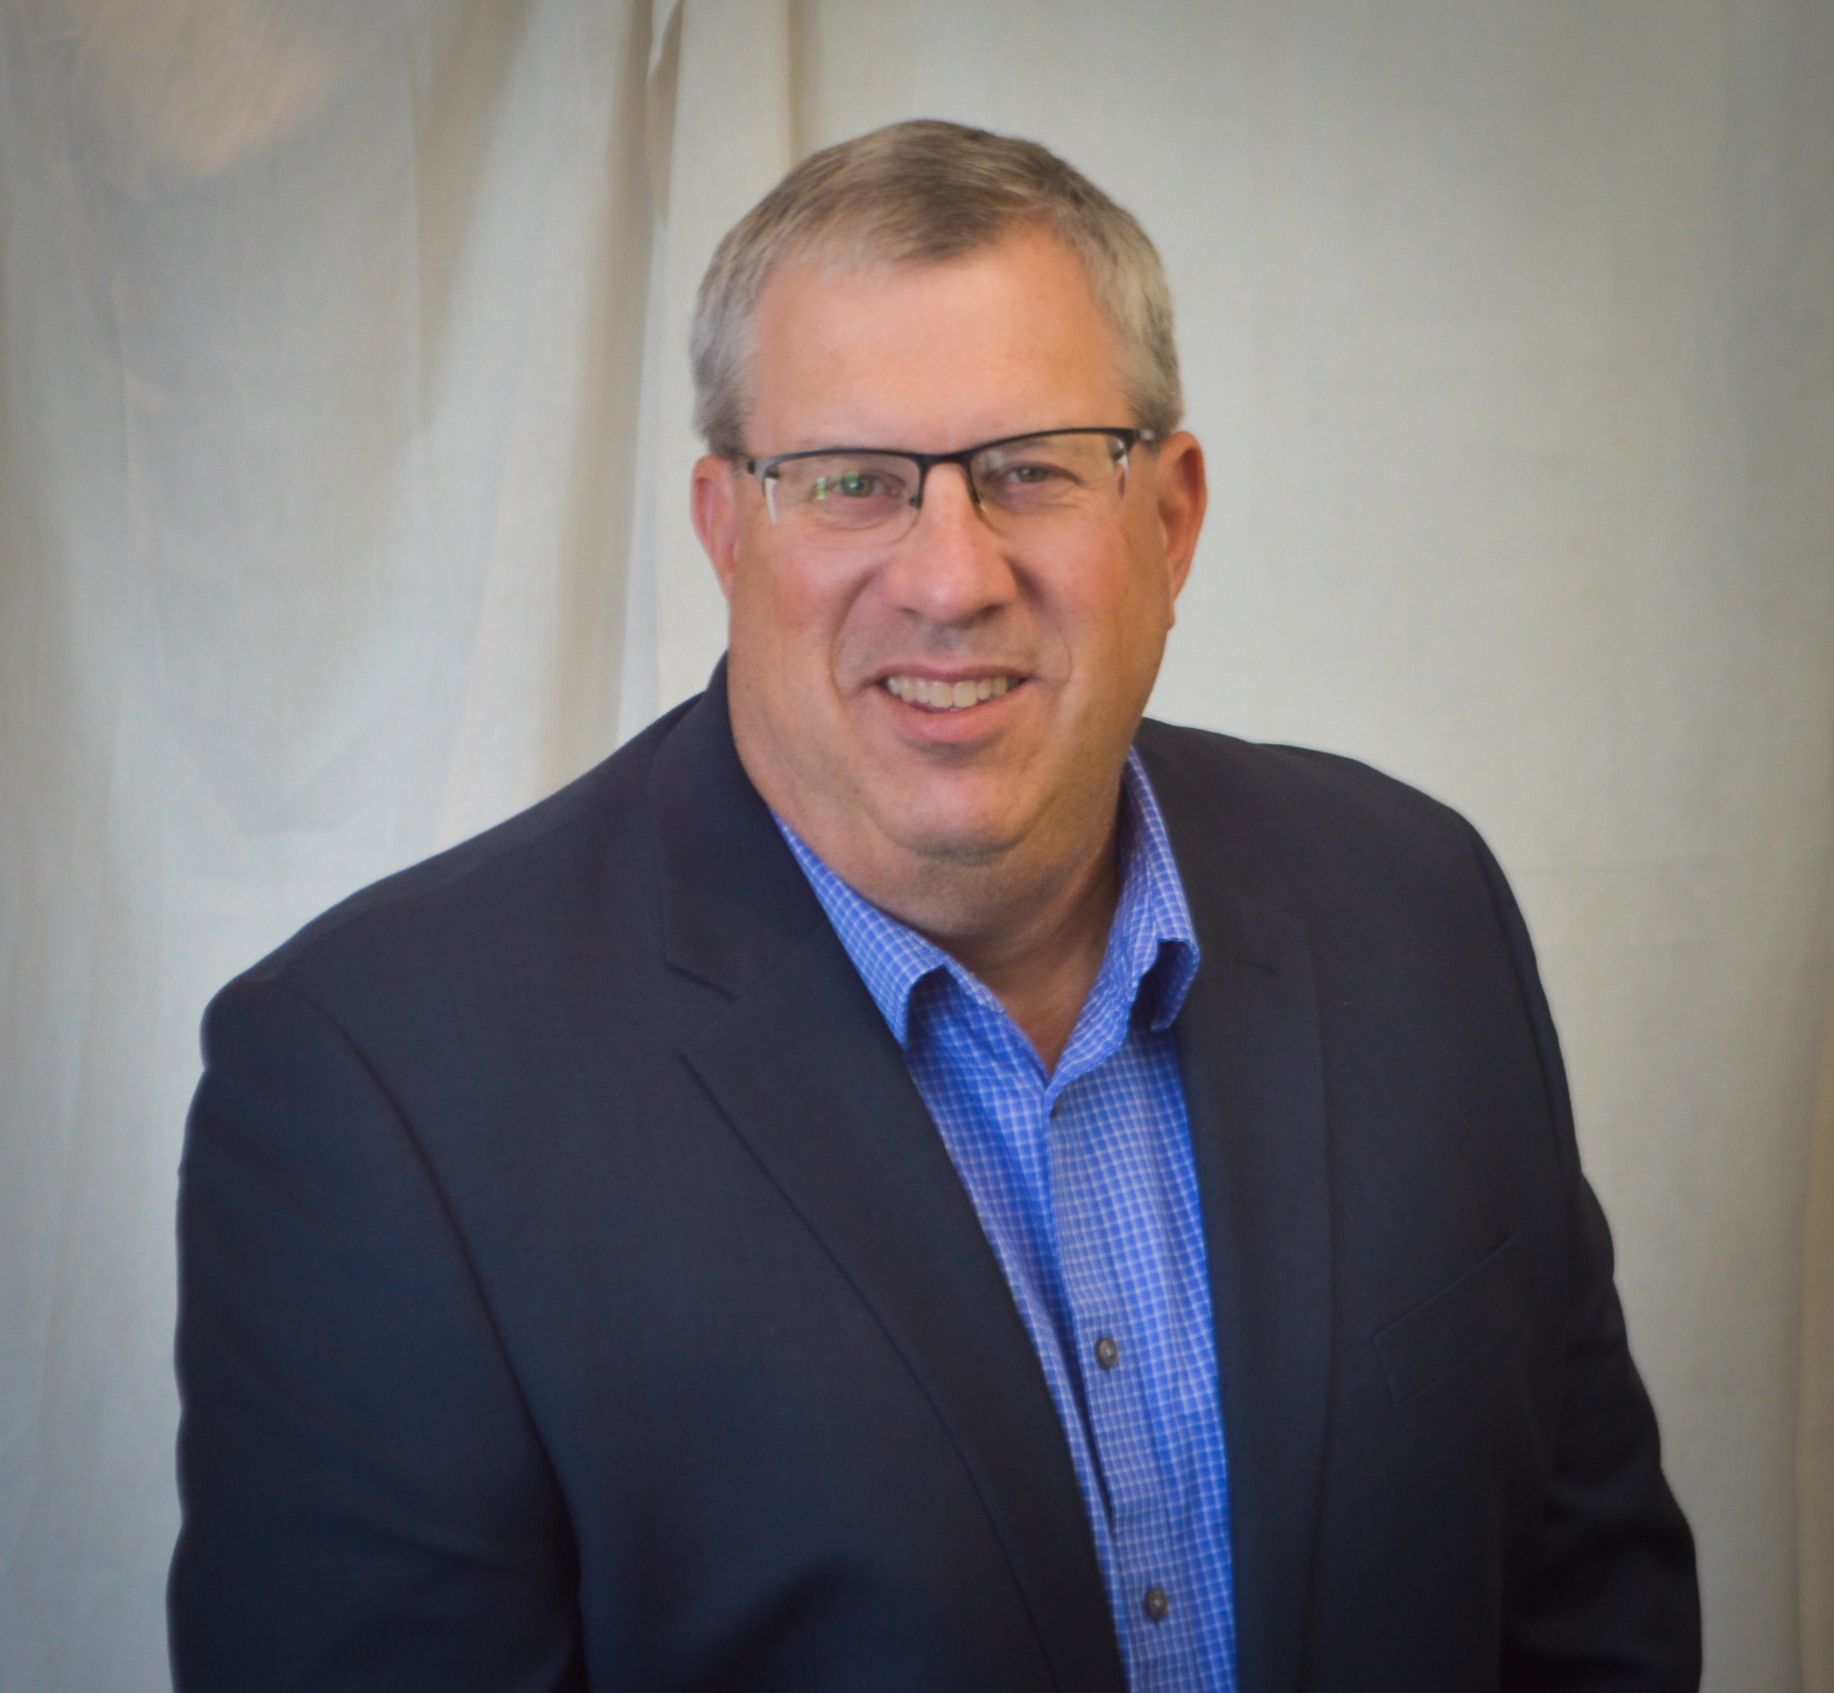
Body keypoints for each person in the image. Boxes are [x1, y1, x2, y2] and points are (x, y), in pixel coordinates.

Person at [168, 119, 1700, 1692]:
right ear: (726, 530)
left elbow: (1589, 1611)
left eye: (1030, 470)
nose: (949, 576)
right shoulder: (379, 1088)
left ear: (1167, 521)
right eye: (851, 482)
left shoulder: (1414, 905)